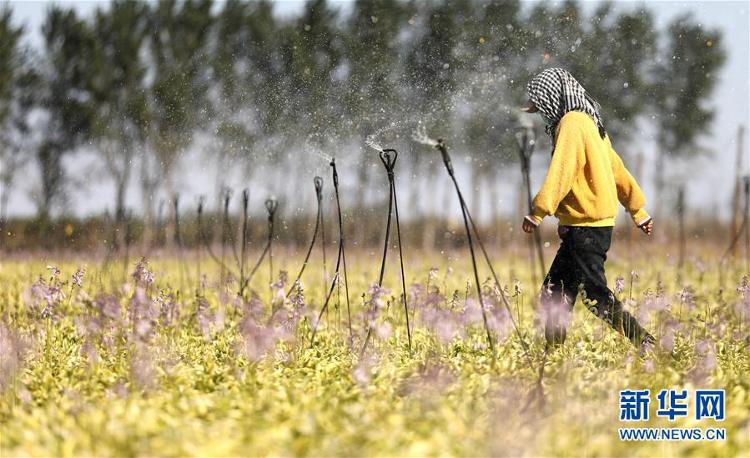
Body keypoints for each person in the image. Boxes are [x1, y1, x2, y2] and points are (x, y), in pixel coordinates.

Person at [520, 67, 655, 354]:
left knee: (595, 295)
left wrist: (539, 210)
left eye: (542, 107)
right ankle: (552, 354)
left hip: (587, 226)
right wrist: (638, 209)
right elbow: (616, 168)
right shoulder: (591, 121)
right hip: (588, 225)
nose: (543, 115)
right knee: (554, 293)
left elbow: (562, 170)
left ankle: (644, 343)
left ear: (553, 98)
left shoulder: (572, 123)